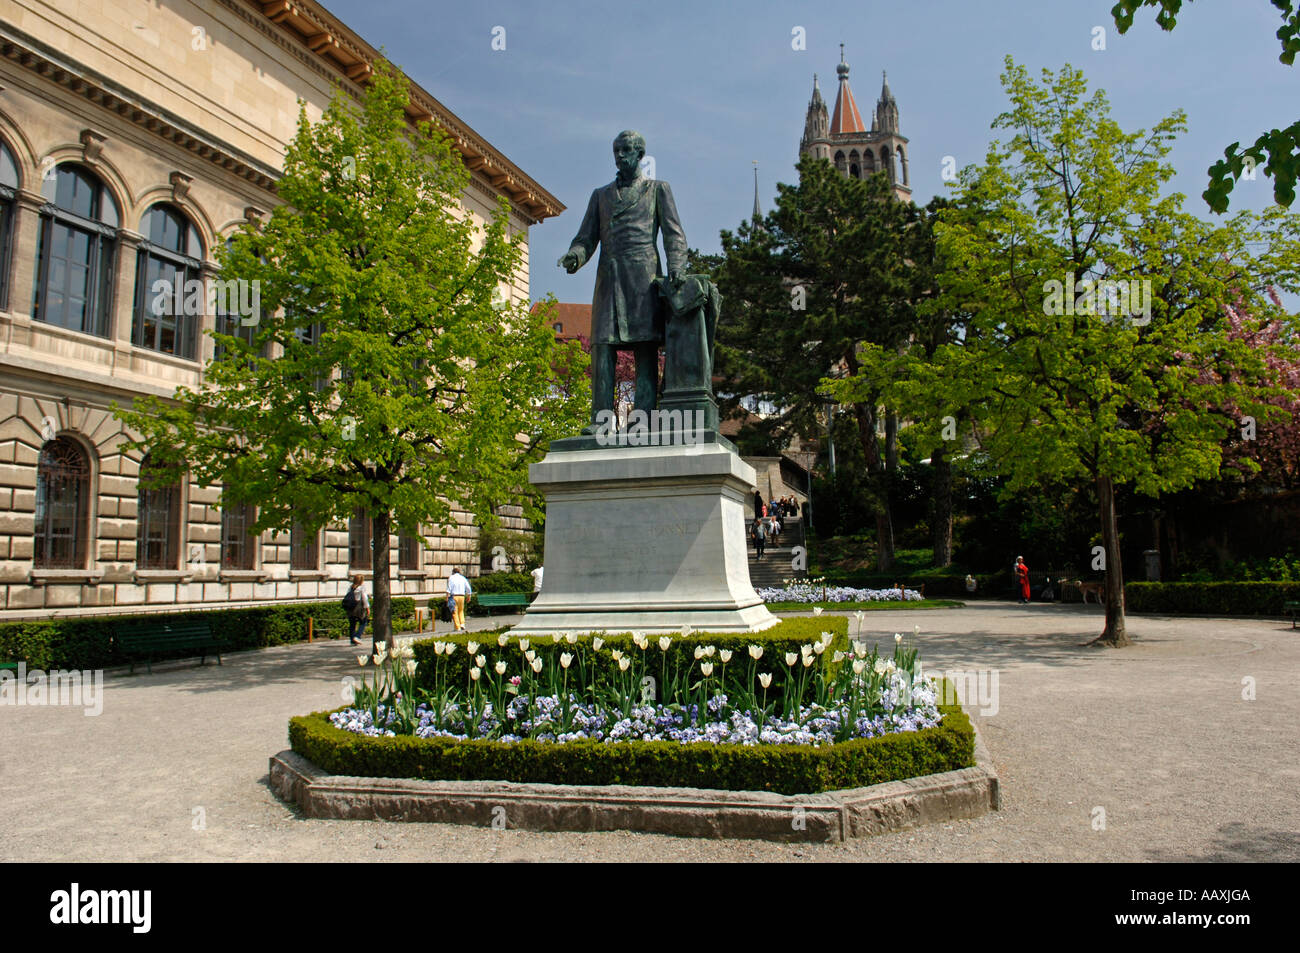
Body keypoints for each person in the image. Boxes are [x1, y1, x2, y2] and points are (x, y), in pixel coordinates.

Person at [559, 130, 687, 432]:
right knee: (602, 347)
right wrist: (574, 256)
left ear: (640, 154)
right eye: (617, 151)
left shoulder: (657, 189)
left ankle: (641, 421)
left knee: (644, 349)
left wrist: (677, 266)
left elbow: (673, 234)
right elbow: (585, 238)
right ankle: (600, 423)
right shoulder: (600, 195)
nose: (620, 156)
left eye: (627, 150)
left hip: (643, 278)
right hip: (609, 277)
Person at [447, 566, 473, 633]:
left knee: (454, 612)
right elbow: (468, 587)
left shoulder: (451, 578)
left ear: (453, 572)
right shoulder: (463, 578)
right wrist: (469, 595)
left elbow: (449, 587)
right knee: (461, 611)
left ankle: (457, 626)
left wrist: (447, 596)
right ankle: (462, 624)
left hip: (454, 596)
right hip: (462, 596)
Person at [345, 574, 368, 645]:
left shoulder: (350, 587)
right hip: (358, 608)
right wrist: (367, 607)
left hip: (350, 608)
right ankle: (357, 636)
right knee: (363, 622)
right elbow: (364, 598)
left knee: (352, 624)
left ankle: (352, 640)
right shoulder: (361, 588)